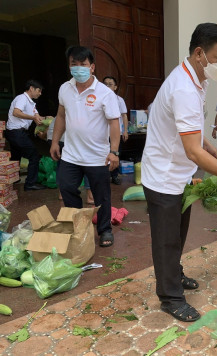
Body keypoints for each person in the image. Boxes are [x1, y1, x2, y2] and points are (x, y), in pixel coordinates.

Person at [141, 23, 217, 323]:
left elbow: (193, 135)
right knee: (166, 239)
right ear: (199, 54)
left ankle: (174, 274)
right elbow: (191, 151)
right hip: (163, 176)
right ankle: (169, 297)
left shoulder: (198, 79)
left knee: (178, 233)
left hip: (179, 175)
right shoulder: (182, 88)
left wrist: (208, 146)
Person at [50, 45, 121, 248]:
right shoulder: (65, 88)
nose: (78, 68)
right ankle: (79, 225)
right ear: (69, 66)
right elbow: (61, 115)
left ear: (92, 67)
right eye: (74, 64)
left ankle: (105, 229)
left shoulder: (104, 93)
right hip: (71, 154)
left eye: (83, 64)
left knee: (101, 196)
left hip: (97, 156)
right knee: (66, 187)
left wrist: (114, 151)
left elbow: (114, 123)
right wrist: (55, 141)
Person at [5, 80, 47, 191]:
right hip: (16, 132)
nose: (40, 93)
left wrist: (47, 120)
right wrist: (33, 118)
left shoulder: (31, 102)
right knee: (33, 155)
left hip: (17, 132)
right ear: (31, 88)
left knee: (16, 156)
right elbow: (16, 112)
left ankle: (14, 179)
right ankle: (30, 184)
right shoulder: (22, 98)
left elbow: (36, 115)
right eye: (39, 90)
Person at [103, 76, 129, 185]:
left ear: (115, 87)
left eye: (110, 84)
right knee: (104, 155)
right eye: (105, 84)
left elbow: (124, 116)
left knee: (115, 154)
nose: (107, 86)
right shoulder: (100, 98)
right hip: (103, 134)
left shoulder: (119, 100)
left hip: (116, 133)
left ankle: (114, 176)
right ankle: (105, 176)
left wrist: (125, 131)